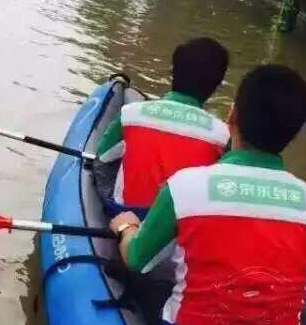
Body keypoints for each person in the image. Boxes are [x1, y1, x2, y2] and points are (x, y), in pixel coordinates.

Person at [109, 65, 306, 325]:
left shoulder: (184, 187)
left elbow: (139, 261)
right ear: (292, 135)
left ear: (233, 118)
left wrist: (127, 227)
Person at [96, 37, 229, 211]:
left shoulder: (131, 114)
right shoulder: (223, 136)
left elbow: (103, 155)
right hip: (178, 227)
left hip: (127, 215)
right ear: (216, 86)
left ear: (172, 72)